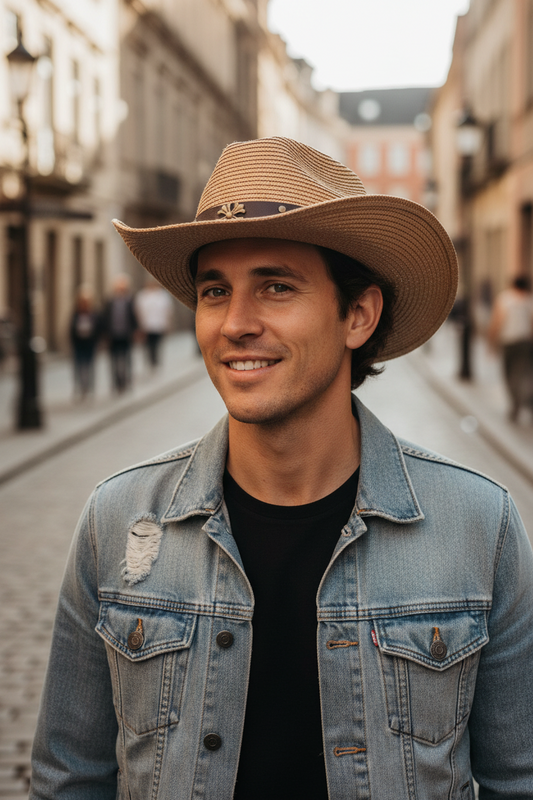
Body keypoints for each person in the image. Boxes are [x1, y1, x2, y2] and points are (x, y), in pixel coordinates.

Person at [30, 138, 533, 799]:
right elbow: (69, 779)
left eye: (276, 287)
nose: (235, 323)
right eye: (215, 290)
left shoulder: (477, 526)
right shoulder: (119, 519)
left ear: (358, 315)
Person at [488, 275, 533, 421]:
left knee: (509, 375)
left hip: (509, 343)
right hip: (524, 343)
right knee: (521, 374)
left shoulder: (505, 299)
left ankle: (516, 404)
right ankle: (522, 401)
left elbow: (497, 321)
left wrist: (492, 342)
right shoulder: (529, 300)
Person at [102, 273, 138, 393]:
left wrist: (135, 331)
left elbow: (133, 317)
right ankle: (116, 383)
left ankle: (127, 381)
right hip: (113, 336)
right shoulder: (110, 301)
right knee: (114, 361)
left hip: (126, 335)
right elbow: (105, 318)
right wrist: (105, 334)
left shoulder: (129, 300)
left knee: (127, 359)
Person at [69, 285, 101, 399]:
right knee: (79, 366)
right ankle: (80, 388)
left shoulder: (94, 314)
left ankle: (89, 388)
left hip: (90, 344)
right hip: (79, 344)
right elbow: (71, 329)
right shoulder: (76, 314)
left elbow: (98, 328)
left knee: (89, 366)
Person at [134, 278, 173, 368]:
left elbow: (168, 310)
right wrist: (140, 324)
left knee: (157, 343)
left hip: (159, 324)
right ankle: (150, 360)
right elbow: (138, 310)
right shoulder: (142, 295)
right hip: (146, 325)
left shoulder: (163, 295)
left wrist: (167, 323)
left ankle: (156, 360)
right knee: (148, 344)